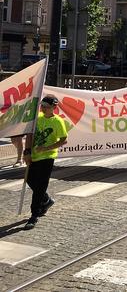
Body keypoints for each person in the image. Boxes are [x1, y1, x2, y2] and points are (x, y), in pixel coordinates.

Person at [22, 95, 68, 230]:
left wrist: (46, 148)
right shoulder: (37, 119)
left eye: (46, 107)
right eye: (42, 106)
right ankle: (46, 199)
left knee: (40, 186)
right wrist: (27, 152)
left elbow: (63, 140)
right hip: (34, 156)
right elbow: (30, 135)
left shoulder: (58, 121)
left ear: (54, 107)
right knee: (29, 180)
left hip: (47, 157)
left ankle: (34, 215)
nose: (43, 108)